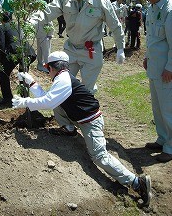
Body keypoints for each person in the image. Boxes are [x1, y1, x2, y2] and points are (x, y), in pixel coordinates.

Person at [12, 51, 152, 207]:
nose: (47, 70)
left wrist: (25, 102)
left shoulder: (63, 80)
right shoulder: (62, 77)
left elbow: (48, 102)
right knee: (57, 104)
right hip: (80, 117)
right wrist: (31, 82)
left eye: (47, 67)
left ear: (54, 67)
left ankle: (137, 182)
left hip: (91, 122)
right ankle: (70, 129)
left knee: (99, 156)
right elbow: (50, 98)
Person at [30, 0, 125, 94]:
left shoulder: (100, 1)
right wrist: (32, 22)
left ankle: (86, 106)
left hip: (91, 50)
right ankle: (65, 112)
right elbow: (47, 12)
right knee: (63, 85)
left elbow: (115, 25)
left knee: (87, 90)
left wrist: (120, 48)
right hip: (71, 49)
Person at [139, 0, 172, 163]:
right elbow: (153, 37)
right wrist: (147, 57)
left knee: (168, 109)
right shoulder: (153, 7)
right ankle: (162, 139)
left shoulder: (170, 9)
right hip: (154, 66)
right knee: (158, 108)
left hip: (166, 70)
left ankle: (170, 146)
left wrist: (170, 67)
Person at [0, 12, 36, 105]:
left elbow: (1, 45)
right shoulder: (18, 25)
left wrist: (1, 61)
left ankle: (7, 98)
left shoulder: (1, 27)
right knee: (23, 74)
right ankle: (24, 97)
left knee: (2, 73)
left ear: (1, 19)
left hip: (14, 52)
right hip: (28, 51)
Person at [36, 0, 54, 72]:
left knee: (46, 52)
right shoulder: (36, 13)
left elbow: (50, 25)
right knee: (39, 51)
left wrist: (50, 34)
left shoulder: (45, 13)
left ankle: (47, 66)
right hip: (38, 35)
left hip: (45, 36)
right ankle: (40, 65)